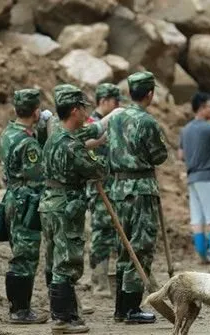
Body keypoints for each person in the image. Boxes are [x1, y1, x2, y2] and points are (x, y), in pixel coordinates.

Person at [39, 84, 108, 334]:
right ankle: (63, 319)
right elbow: (96, 170)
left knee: (55, 259)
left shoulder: (53, 138)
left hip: (49, 204)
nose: (85, 115)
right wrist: (100, 159)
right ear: (75, 111)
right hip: (66, 207)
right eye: (83, 110)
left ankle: (64, 314)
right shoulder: (71, 145)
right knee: (67, 262)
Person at [107, 71, 168, 324]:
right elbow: (159, 156)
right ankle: (131, 308)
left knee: (125, 247)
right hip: (141, 189)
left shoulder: (115, 118)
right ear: (150, 94)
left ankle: (121, 308)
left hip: (119, 189)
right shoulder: (147, 122)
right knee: (140, 247)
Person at [0, 89, 51, 324]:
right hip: (26, 202)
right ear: (36, 111)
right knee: (25, 257)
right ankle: (20, 311)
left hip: (11, 197)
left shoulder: (8, 133)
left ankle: (18, 308)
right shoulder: (28, 144)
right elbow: (39, 175)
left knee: (19, 253)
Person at [178, 92, 210, 263]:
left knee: (198, 219)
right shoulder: (209, 128)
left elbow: (180, 155)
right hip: (208, 177)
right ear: (201, 108)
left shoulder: (185, 130)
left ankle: (202, 254)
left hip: (192, 178)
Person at [85, 83, 123, 297]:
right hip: (98, 188)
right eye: (115, 102)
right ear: (105, 101)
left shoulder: (113, 124)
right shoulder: (91, 123)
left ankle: (112, 281)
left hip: (114, 187)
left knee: (116, 233)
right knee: (101, 233)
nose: (118, 106)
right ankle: (99, 283)